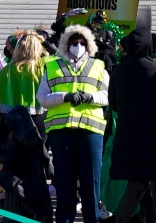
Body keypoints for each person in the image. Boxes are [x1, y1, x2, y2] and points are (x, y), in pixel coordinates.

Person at [41, 24, 109, 223]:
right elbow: (42, 98)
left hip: (91, 131)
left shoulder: (98, 66)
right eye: (73, 42)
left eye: (81, 42)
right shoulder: (52, 65)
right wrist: (65, 97)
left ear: (88, 45)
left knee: (91, 181)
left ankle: (92, 219)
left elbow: (107, 95)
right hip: (62, 131)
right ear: (66, 44)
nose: (78, 46)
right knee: (65, 182)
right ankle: (64, 220)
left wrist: (89, 97)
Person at [108, 28, 156, 223]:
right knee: (140, 178)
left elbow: (113, 102)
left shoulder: (119, 70)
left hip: (127, 131)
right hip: (153, 132)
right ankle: (122, 219)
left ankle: (151, 218)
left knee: (138, 176)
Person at [0, 99, 54, 223]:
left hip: (15, 186)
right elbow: (45, 156)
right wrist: (50, 171)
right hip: (33, 184)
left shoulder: (10, 135)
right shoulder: (34, 137)